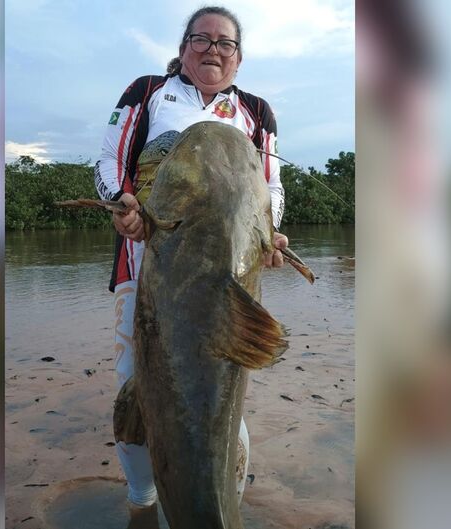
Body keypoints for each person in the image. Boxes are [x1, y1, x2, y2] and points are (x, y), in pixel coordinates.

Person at [93, 5, 290, 514]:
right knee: (135, 389)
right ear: (183, 49)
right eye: (202, 39)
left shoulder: (257, 112)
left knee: (221, 403)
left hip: (231, 274)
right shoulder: (147, 93)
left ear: (239, 59)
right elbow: (108, 161)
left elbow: (272, 188)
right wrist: (122, 203)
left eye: (226, 43)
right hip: (145, 259)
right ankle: (142, 501)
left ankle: (218, 509)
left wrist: (270, 234)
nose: (213, 50)